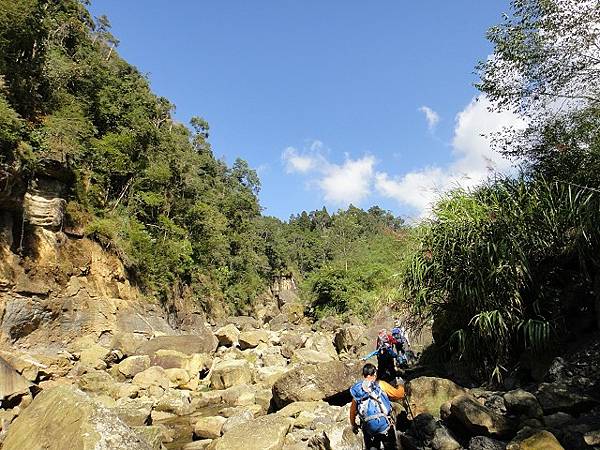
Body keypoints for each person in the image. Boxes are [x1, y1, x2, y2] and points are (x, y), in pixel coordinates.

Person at [350, 363, 404, 450]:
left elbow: (352, 411)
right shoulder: (380, 384)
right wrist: (400, 385)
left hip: (369, 429)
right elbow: (399, 395)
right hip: (385, 426)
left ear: (364, 375)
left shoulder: (358, 391)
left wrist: (354, 425)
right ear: (375, 373)